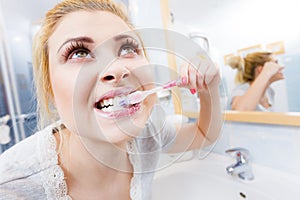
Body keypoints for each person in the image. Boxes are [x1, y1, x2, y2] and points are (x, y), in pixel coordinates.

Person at [0, 0, 222, 199]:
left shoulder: (148, 133)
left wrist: (208, 89)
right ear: (50, 90)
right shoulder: (11, 187)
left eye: (127, 48)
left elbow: (204, 135)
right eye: (79, 52)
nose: (116, 69)